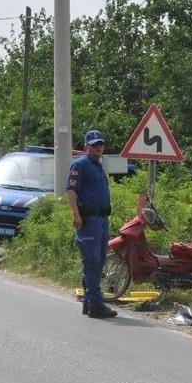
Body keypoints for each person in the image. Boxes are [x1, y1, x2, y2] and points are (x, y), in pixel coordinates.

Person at [67, 130, 117, 319]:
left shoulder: (98, 165)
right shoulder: (81, 164)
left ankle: (88, 302)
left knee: (100, 261)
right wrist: (75, 215)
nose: (99, 147)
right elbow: (71, 191)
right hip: (89, 220)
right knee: (92, 262)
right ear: (86, 146)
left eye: (101, 144)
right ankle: (96, 305)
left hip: (102, 220)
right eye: (95, 145)